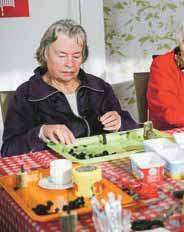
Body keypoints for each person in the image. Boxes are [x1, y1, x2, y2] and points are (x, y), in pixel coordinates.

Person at [1, 19, 138, 157]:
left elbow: (134, 133)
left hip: (99, 168)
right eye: (62, 55)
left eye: (76, 56)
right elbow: (8, 150)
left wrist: (120, 123)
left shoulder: (99, 87)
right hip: (53, 171)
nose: (70, 64)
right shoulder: (27, 94)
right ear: (45, 54)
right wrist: (41, 132)